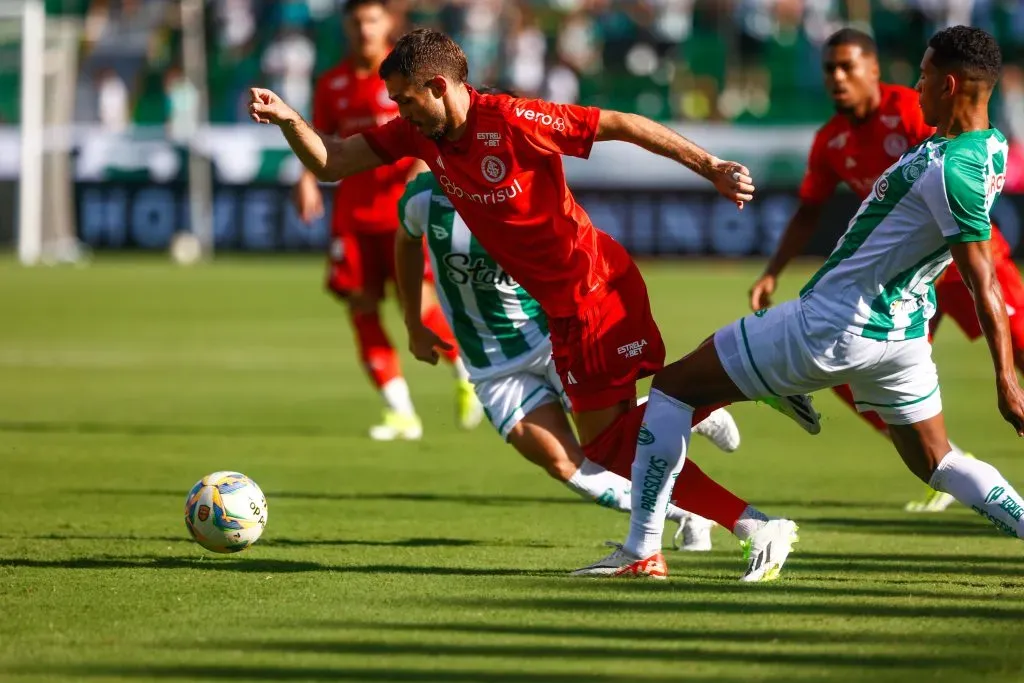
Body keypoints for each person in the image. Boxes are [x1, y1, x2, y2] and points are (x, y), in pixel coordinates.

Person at [249, 27, 821, 582]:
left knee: (615, 441)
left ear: (440, 87)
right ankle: (743, 401)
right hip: (566, 309)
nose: (400, 110)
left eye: (406, 98)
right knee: (627, 431)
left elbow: (618, 124)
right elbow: (332, 161)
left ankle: (750, 515)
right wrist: (289, 120)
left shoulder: (513, 118)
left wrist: (710, 167)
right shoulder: (418, 133)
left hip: (594, 289)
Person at [580, 25, 1024, 579]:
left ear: (951, 84)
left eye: (926, 75)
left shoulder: (947, 168)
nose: (916, 85)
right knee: (937, 461)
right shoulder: (989, 147)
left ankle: (641, 550)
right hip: (901, 340)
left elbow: (984, 281)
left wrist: (1005, 379)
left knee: (672, 390)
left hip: (835, 326)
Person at [395, 168, 750, 551]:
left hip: (551, 338)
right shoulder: (424, 197)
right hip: (492, 364)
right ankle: (687, 510)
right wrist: (414, 323)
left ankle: (683, 409)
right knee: (565, 465)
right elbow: (405, 242)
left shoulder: (523, 193)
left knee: (611, 444)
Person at [748, 28, 1024, 514]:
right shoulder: (830, 139)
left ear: (874, 70)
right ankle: (944, 459)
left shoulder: (915, 110)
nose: (836, 77)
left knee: (1019, 353)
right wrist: (773, 271)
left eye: (846, 67)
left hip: (967, 262)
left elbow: (957, 173)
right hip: (906, 279)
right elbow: (808, 211)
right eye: (829, 68)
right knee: (854, 365)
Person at [292, 0, 480, 441]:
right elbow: (320, 138)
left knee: (420, 306)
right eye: (355, 21)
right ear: (345, 26)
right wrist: (304, 178)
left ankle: (465, 369)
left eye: (371, 20)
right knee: (360, 307)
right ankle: (401, 412)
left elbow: (430, 135)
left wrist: (421, 176)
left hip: (402, 214)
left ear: (388, 24)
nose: (363, 29)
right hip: (353, 216)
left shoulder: (405, 79)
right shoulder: (332, 82)